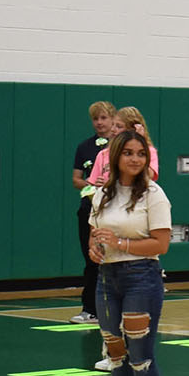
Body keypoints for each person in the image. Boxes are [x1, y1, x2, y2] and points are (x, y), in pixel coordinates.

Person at [86, 130, 173, 376]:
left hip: (142, 276)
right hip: (107, 277)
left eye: (140, 154)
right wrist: (95, 249)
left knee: (141, 354)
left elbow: (161, 243)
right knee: (115, 352)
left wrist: (121, 244)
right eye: (128, 153)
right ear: (116, 156)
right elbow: (95, 235)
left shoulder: (154, 194)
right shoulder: (101, 195)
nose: (135, 159)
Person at [88, 107, 161, 371]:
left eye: (121, 126)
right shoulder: (103, 155)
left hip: (138, 259)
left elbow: (149, 176)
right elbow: (94, 185)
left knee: (138, 337)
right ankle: (111, 354)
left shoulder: (149, 160)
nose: (115, 130)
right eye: (114, 126)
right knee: (109, 322)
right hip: (110, 255)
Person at [69, 101, 117, 325]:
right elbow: (76, 179)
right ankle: (89, 308)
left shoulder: (120, 147)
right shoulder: (84, 147)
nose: (99, 123)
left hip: (114, 209)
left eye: (104, 118)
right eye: (96, 119)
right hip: (89, 208)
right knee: (91, 258)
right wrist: (89, 182)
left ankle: (113, 307)